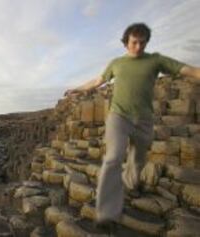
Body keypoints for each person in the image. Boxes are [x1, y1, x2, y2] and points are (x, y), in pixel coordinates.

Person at [64, 23, 200, 229]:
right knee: (113, 158)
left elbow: (188, 70)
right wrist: (78, 88)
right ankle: (106, 214)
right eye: (134, 42)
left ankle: (130, 186)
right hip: (119, 117)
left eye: (142, 43)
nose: (138, 47)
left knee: (138, 160)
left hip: (144, 119)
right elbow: (98, 80)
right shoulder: (116, 63)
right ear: (126, 42)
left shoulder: (156, 60)